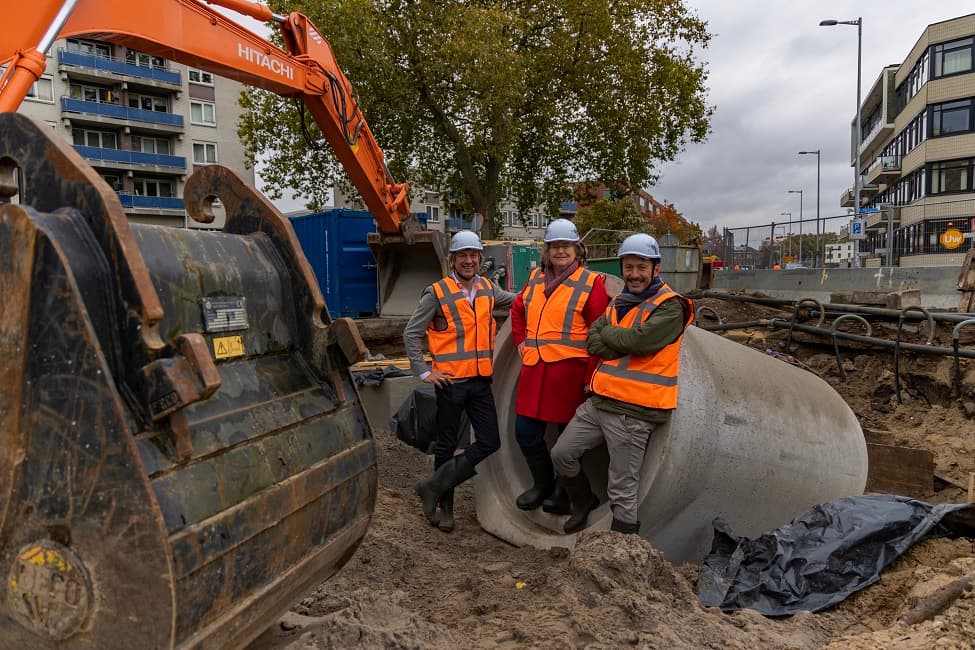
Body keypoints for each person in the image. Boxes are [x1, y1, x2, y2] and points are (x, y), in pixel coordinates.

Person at [551, 233, 693, 534]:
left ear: (656, 269)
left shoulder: (671, 306)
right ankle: (583, 502)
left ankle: (621, 549)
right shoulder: (619, 301)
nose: (634, 275)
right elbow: (593, 341)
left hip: (634, 411)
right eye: (628, 268)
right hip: (600, 401)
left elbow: (640, 341)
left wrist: (616, 339)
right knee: (561, 454)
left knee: (622, 487)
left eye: (641, 267)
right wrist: (622, 342)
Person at [404, 229, 516, 532]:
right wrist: (425, 372)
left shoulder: (489, 290)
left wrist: (547, 292)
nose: (469, 260)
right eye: (463, 255)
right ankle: (445, 507)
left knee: (490, 440)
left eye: (473, 255)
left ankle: (432, 486)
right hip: (450, 383)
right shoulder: (437, 293)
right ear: (453, 259)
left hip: (480, 381)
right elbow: (411, 333)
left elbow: (518, 302)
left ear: (480, 258)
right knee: (446, 445)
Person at [509, 218, 609, 514]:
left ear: (577, 249)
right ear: (547, 250)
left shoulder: (592, 284)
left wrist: (591, 378)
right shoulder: (535, 279)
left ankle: (561, 492)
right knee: (525, 433)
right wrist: (519, 342)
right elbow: (517, 311)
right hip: (535, 372)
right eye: (555, 246)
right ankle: (542, 484)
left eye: (566, 246)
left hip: (570, 377)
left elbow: (599, 335)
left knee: (566, 442)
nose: (561, 251)